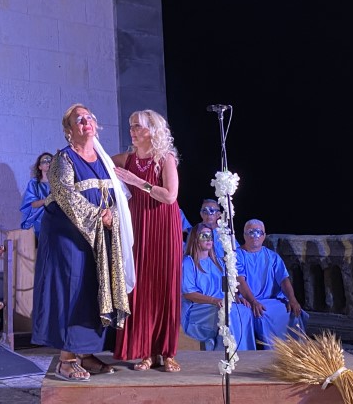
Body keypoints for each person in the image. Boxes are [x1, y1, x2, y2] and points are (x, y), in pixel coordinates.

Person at [31, 103, 134, 382]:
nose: (85, 122)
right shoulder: (62, 159)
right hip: (68, 236)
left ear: (96, 125)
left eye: (89, 117)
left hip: (99, 236)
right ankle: (66, 360)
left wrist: (113, 215)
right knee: (71, 289)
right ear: (69, 130)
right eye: (79, 120)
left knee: (93, 288)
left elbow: (120, 196)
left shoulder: (104, 160)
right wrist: (100, 216)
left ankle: (86, 353)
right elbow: (65, 196)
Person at [112, 109, 183, 372]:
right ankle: (145, 351)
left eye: (137, 126)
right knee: (140, 286)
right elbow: (99, 163)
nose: (131, 130)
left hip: (163, 226)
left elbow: (170, 196)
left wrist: (136, 181)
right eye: (131, 125)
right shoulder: (126, 158)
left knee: (164, 285)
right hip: (138, 225)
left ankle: (167, 352)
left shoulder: (165, 159)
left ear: (152, 130)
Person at [235, 218, 309, 349]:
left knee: (293, 311)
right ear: (244, 235)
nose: (255, 236)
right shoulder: (237, 255)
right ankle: (267, 352)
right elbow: (240, 281)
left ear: (264, 236)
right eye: (251, 232)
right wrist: (253, 301)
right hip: (248, 300)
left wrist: (292, 299)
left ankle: (294, 352)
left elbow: (284, 279)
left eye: (259, 232)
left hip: (271, 299)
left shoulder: (272, 256)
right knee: (261, 313)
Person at [181, 223, 256, 351]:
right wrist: (214, 300)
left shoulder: (218, 262)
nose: (209, 239)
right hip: (198, 308)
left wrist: (237, 297)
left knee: (244, 310)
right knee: (226, 313)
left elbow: (226, 288)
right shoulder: (188, 262)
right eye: (204, 236)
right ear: (195, 238)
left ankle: (245, 353)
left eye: (210, 236)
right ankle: (227, 353)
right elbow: (189, 293)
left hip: (220, 303)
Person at [19, 152, 52, 243]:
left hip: (56, 218)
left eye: (50, 161)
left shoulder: (59, 182)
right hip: (40, 219)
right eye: (44, 161)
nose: (48, 163)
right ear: (39, 167)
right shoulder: (34, 183)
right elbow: (33, 204)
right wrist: (49, 199)